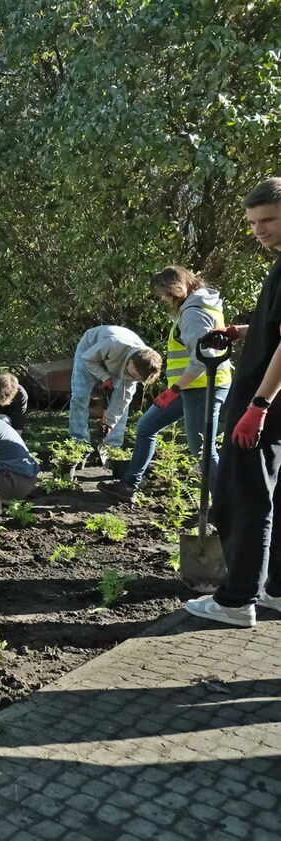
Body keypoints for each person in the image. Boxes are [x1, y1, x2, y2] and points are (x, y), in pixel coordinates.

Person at [185, 177, 281, 627]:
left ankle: (237, 600)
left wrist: (258, 405)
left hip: (261, 408)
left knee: (246, 500)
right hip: (265, 406)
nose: (259, 230)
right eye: (253, 222)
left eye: (268, 220)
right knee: (271, 496)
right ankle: (276, 589)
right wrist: (246, 331)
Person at [100, 267, 232, 503]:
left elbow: (203, 358)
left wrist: (174, 389)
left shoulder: (193, 312)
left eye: (163, 293)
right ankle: (129, 485)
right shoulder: (195, 307)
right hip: (189, 387)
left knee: (202, 450)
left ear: (175, 289)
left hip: (202, 388)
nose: (162, 298)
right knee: (146, 427)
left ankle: (227, 506)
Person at [68, 325, 163, 450]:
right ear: (130, 362)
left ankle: (112, 446)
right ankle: (78, 441)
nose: (132, 379)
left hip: (116, 360)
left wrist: (110, 423)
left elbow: (122, 400)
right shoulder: (113, 344)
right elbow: (88, 359)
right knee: (80, 395)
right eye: (132, 375)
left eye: (136, 379)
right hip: (90, 349)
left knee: (122, 401)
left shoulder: (143, 365)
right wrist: (105, 376)